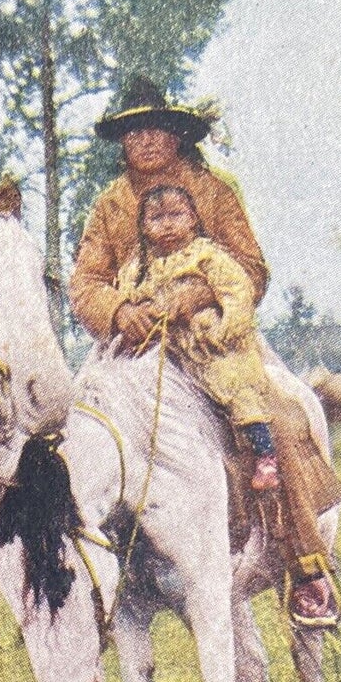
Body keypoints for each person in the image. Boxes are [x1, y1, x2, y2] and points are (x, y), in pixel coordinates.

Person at [69, 77, 341, 629]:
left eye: (154, 128)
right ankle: (76, 579)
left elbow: (251, 267)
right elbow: (85, 282)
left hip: (215, 334)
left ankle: (306, 565)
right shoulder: (108, 205)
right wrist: (120, 312)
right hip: (132, 344)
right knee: (71, 426)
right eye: (131, 131)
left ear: (176, 132)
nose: (144, 140)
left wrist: (196, 295)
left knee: (276, 418)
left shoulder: (214, 190)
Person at [117, 183, 281, 490]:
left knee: (234, 384)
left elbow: (237, 291)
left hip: (208, 346)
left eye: (176, 214)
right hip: (163, 344)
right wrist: (135, 312)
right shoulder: (138, 267)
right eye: (156, 218)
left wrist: (225, 329)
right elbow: (128, 296)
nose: (167, 224)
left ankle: (264, 454)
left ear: (193, 217)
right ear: (142, 226)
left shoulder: (207, 256)